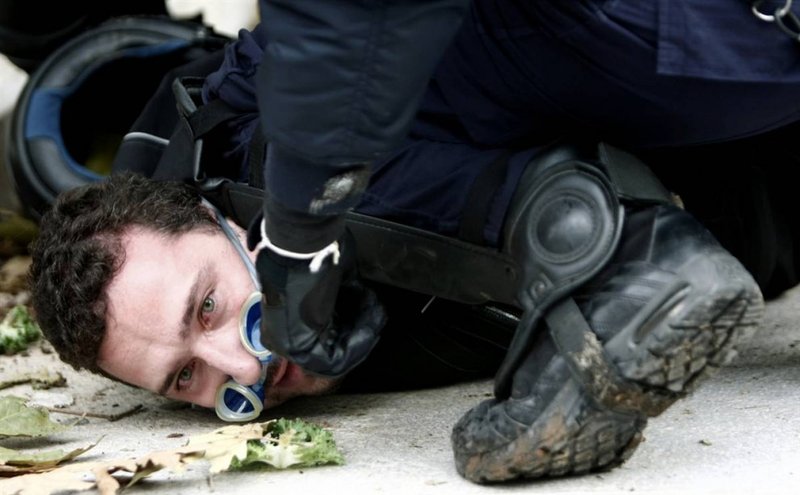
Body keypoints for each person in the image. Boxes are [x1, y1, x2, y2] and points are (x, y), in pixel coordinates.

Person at [28, 0, 800, 484]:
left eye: (207, 306)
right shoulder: (365, 332)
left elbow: (338, 34)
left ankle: (619, 268)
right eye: (186, 378)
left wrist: (300, 232)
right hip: (747, 96)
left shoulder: (266, 138)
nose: (244, 367)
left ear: (219, 214)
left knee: (314, 125)